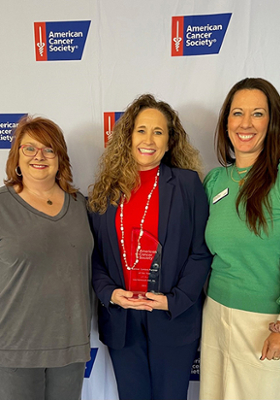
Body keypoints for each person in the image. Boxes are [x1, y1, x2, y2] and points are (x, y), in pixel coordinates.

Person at [88, 94, 212, 400]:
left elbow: (201, 253)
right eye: (141, 130)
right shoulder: (106, 192)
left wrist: (175, 300)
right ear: (128, 137)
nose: (149, 139)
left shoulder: (187, 185)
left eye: (159, 132)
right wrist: (111, 294)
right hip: (123, 322)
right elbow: (95, 257)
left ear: (170, 142)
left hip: (172, 319)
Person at [200, 77, 280, 400]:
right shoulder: (214, 180)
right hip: (216, 316)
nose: (245, 123)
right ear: (225, 123)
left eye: (258, 114)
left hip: (265, 323)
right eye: (237, 113)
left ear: (273, 121)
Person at [0, 115, 93, 400]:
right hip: (14, 348)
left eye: (48, 149)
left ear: (59, 158)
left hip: (70, 346)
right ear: (17, 156)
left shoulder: (82, 207)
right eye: (29, 148)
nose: (39, 156)